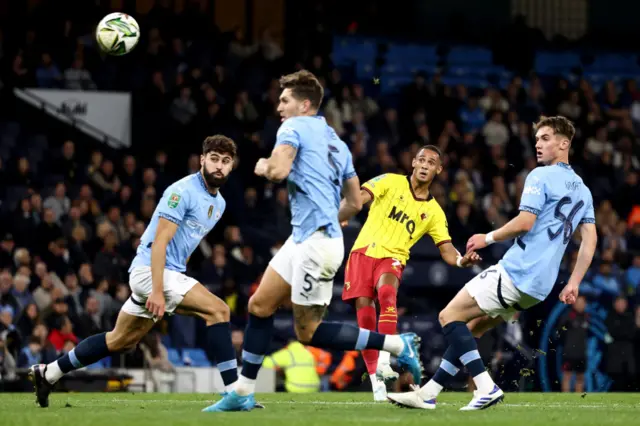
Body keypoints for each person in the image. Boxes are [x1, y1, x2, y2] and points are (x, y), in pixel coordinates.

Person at [204, 70, 423, 412]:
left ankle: (396, 345)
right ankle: (242, 393)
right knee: (259, 306)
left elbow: (278, 170)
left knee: (307, 332)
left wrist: (263, 166)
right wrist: (324, 217)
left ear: (304, 104)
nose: (279, 107)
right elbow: (353, 202)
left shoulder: (293, 127)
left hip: (316, 244)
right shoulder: (337, 142)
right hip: (307, 238)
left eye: (285, 100)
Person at [388, 115, 598, 410]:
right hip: (540, 287)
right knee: (472, 327)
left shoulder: (540, 176)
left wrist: (487, 238)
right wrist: (574, 282)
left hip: (517, 271)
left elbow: (525, 222)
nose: (538, 143)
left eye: (546, 138)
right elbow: (590, 241)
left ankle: (485, 387)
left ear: (564, 144)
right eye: (537, 138)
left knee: (449, 316)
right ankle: (429, 392)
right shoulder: (583, 190)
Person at [31, 135, 245, 409]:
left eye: (225, 162)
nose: (219, 166)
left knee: (119, 340)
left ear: (231, 167)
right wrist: (158, 290)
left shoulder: (220, 204)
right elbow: (160, 243)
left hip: (165, 275)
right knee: (219, 310)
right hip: (150, 273)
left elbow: (188, 244)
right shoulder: (181, 192)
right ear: (202, 160)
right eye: (214, 159)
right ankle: (234, 393)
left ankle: (49, 373)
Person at [341, 145, 481, 401]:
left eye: (432, 162)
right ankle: (376, 383)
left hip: (393, 258)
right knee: (365, 319)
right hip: (361, 253)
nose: (426, 165)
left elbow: (447, 250)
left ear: (438, 169)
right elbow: (359, 198)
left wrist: (462, 261)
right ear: (414, 163)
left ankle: (384, 361)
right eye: (422, 160)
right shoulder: (390, 181)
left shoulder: (435, 212)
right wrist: (342, 213)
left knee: (386, 293)